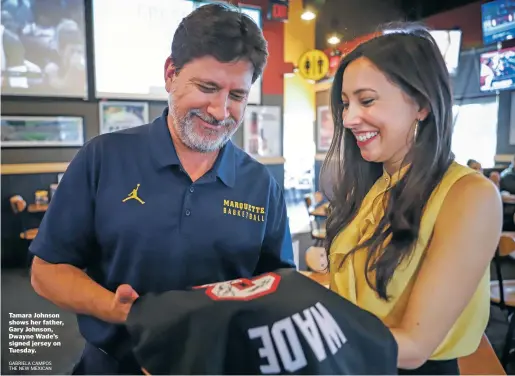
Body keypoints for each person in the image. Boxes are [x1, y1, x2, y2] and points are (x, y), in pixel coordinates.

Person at [29, 3, 294, 374]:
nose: (220, 111)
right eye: (207, 87)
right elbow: (47, 270)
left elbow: (278, 287)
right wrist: (119, 310)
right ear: (171, 74)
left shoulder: (261, 185)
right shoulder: (103, 158)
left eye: (237, 95)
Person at [321, 23, 502, 375]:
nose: (348, 119)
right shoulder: (373, 186)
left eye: (367, 100)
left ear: (421, 103)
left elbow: (415, 346)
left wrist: (306, 337)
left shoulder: (469, 195)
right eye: (345, 104)